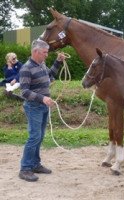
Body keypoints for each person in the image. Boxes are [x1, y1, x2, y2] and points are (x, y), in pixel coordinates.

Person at [18, 39, 66, 182]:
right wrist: (43, 98)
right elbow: (24, 92)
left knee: (39, 137)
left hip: (43, 107)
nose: (46, 55)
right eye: (44, 52)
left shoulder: (42, 64)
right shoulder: (26, 68)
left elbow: (50, 76)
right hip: (34, 107)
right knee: (34, 137)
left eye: (47, 52)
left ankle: (35, 164)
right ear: (35, 52)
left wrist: (57, 62)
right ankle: (25, 169)